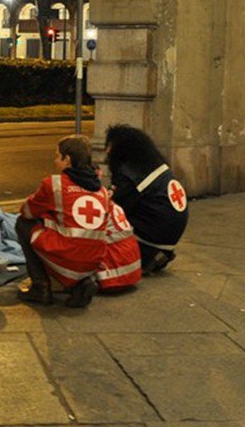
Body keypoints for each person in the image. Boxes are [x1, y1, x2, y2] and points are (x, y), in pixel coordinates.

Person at [16, 135, 110, 307]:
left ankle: (40, 287)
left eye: (57, 156)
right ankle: (80, 284)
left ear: (67, 159)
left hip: (68, 255)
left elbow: (27, 211)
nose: (54, 161)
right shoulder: (102, 190)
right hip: (94, 261)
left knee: (23, 224)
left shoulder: (55, 184)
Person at [104, 124, 189, 275]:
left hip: (149, 238)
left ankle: (146, 255)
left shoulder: (130, 176)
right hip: (166, 238)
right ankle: (157, 254)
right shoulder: (157, 166)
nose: (107, 151)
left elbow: (114, 209)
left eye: (110, 146)